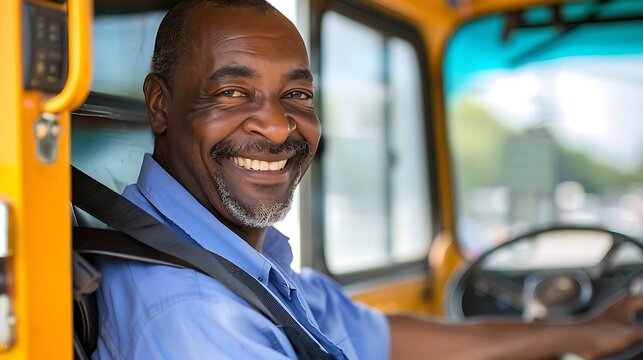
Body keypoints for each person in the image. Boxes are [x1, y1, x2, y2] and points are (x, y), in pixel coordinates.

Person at [93, 0, 643, 359]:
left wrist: (584, 333)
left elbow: (383, 338)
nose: (278, 125)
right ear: (160, 107)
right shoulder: (197, 315)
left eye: (297, 96)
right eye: (233, 93)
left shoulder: (231, 262)